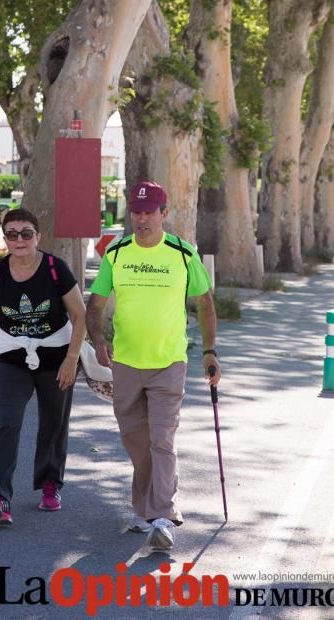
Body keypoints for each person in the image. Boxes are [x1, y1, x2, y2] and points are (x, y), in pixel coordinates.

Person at [86, 181, 221, 550]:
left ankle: (162, 516)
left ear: (165, 213)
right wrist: (98, 340)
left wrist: (210, 351)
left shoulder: (182, 252)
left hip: (169, 361)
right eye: (137, 212)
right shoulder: (117, 252)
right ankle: (146, 507)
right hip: (125, 362)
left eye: (150, 212)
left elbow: (205, 304)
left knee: (162, 439)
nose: (143, 218)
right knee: (136, 441)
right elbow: (95, 306)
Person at [0, 208, 86, 525]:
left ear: (38, 236)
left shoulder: (56, 269)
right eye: (12, 234)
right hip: (10, 356)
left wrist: (72, 359)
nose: (20, 239)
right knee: (7, 422)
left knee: (53, 424)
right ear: (5, 239)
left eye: (26, 233)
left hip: (55, 355)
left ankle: (49, 484)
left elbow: (79, 314)